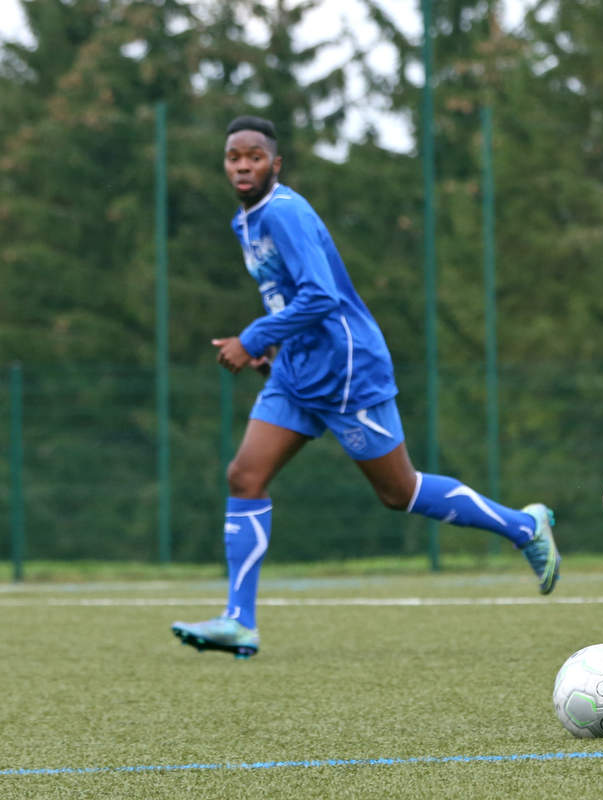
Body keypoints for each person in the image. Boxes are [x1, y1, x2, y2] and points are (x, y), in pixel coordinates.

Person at [172, 116, 560, 658]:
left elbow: (321, 297)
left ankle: (525, 526)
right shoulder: (246, 221)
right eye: (234, 156)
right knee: (244, 475)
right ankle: (239, 620)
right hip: (296, 371)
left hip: (346, 368)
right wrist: (273, 349)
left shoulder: (284, 212)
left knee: (398, 491)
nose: (242, 165)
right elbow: (287, 299)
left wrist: (253, 336)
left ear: (275, 164)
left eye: (254, 156)